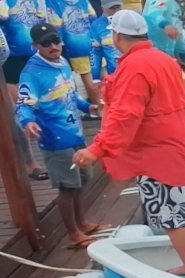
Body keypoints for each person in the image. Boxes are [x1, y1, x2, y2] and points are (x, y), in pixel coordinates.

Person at [73, 10, 185, 278]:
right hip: (176, 144)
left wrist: (96, 150)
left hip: (157, 154)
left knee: (172, 217)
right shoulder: (161, 58)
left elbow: (125, 117)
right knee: (180, 210)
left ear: (117, 36)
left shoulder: (134, 67)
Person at [16, 22, 106, 247]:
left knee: (81, 180)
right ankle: (74, 234)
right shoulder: (31, 73)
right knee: (67, 186)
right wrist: (28, 123)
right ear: (36, 46)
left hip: (75, 134)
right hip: (55, 140)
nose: (53, 46)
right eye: (46, 43)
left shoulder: (63, 63)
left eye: (56, 40)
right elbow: (23, 105)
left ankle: (82, 223)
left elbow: (71, 95)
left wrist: (89, 107)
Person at [2, 0, 48, 179]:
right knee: (19, 113)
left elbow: (43, 23)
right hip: (10, 60)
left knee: (43, 107)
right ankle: (30, 164)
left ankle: (54, 156)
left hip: (34, 57)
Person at [47, 0, 101, 106]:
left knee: (79, 77)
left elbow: (55, 25)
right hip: (91, 40)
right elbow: (93, 16)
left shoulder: (53, 2)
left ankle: (97, 108)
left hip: (72, 44)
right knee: (99, 74)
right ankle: (104, 105)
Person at [89, 0, 119, 81]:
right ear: (103, 8)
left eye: (118, 7)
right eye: (112, 8)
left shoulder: (131, 20)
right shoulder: (96, 26)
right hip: (115, 76)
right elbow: (95, 54)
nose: (116, 11)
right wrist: (95, 78)